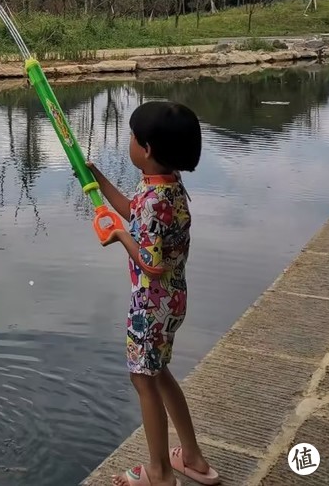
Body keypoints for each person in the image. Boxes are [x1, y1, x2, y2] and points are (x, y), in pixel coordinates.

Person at [86, 100, 220, 486]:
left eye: (131, 137)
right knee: (159, 374)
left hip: (151, 305)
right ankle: (191, 457)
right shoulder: (167, 185)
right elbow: (135, 213)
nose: (128, 142)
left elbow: (151, 262)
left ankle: (159, 473)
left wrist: (118, 237)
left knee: (143, 381)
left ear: (146, 149)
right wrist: (98, 181)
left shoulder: (155, 199)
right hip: (173, 300)